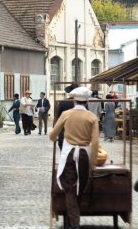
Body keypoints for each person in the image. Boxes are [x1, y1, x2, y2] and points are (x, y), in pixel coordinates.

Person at [49, 87, 99, 229]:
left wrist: (57, 137)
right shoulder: (92, 117)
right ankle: (71, 223)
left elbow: (53, 135)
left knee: (70, 189)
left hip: (69, 154)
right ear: (86, 101)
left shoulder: (66, 114)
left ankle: (74, 225)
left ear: (74, 101)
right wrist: (93, 163)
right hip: (84, 155)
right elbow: (95, 142)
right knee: (79, 188)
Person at [55, 83, 79, 150]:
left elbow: (58, 117)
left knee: (64, 152)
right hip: (78, 132)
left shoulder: (63, 102)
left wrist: (55, 131)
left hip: (65, 131)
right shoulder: (83, 103)